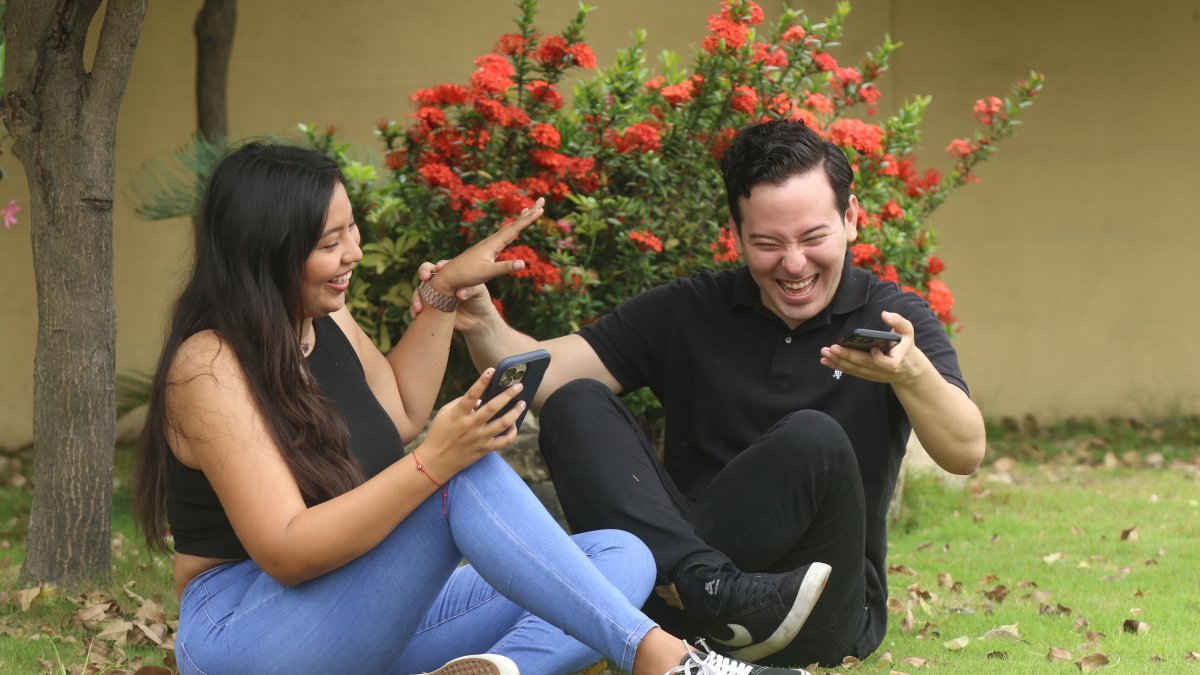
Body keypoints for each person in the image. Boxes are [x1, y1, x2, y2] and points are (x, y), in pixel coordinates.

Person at [132, 142, 812, 675]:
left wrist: (444, 295)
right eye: (329, 242)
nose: (355, 253)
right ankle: (663, 657)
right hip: (247, 640)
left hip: (349, 620)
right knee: (460, 477)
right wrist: (434, 463)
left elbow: (396, 411)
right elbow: (285, 549)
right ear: (268, 252)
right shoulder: (209, 366)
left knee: (621, 555)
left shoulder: (320, 321)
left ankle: (504, 668)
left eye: (352, 229)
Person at [417, 120, 986, 666]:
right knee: (575, 402)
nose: (794, 264)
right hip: (685, 607)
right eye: (767, 242)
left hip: (820, 614)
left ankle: (688, 585)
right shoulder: (693, 308)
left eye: (814, 238)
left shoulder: (892, 317)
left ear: (851, 220)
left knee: (813, 437)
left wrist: (912, 374)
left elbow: (965, 451)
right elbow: (552, 376)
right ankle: (703, 584)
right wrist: (483, 324)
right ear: (736, 235)